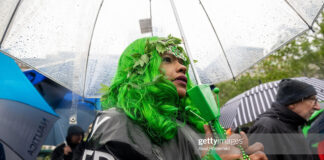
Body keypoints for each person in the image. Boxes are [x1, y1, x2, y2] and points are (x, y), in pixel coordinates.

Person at [83, 36, 267, 160]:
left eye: (182, 61)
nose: (182, 67)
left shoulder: (192, 125)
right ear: (140, 71)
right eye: (167, 59)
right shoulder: (115, 122)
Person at [248, 79, 321, 160]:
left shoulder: (295, 124)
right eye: (312, 100)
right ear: (292, 103)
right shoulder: (266, 126)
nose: (318, 107)